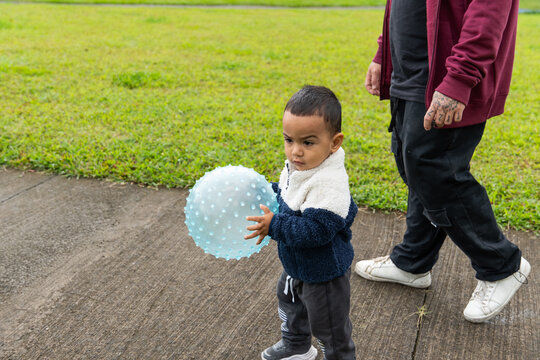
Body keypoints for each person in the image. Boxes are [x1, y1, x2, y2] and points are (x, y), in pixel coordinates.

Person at [356, 0, 530, 323]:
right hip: (409, 70)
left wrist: (460, 78)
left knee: (433, 167)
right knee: (410, 160)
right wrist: (384, 54)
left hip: (446, 72)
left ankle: (501, 265)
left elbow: (490, 7)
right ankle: (413, 261)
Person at [245, 85, 357, 360]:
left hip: (324, 274)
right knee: (291, 303)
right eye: (289, 140)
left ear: (334, 142)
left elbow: (316, 231)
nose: (295, 151)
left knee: (329, 327)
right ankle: (296, 346)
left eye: (307, 142)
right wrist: (264, 192)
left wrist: (274, 226)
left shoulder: (328, 183)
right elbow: (287, 195)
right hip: (297, 264)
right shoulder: (302, 166)